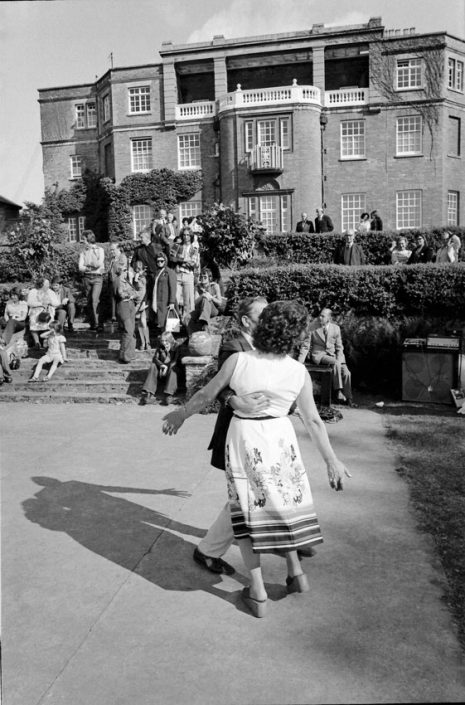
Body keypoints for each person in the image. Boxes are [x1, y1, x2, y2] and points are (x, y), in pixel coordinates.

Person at [162, 300, 351, 618]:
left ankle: (258, 590)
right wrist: (332, 460)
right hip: (280, 438)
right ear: (294, 336)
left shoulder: (239, 361)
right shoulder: (297, 370)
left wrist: (180, 414)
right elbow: (314, 421)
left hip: (247, 439)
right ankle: (296, 575)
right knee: (283, 504)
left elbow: (205, 395)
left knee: (247, 511)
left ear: (264, 327)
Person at [194, 296, 270, 575]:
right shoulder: (233, 345)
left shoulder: (268, 344)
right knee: (244, 494)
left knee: (261, 487)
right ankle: (208, 550)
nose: (269, 317)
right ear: (247, 321)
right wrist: (235, 401)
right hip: (237, 429)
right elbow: (221, 385)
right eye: (263, 314)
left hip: (264, 430)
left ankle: (286, 539)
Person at [298, 308, 356, 407]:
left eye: (323, 316)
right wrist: (299, 362)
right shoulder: (312, 327)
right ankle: (338, 391)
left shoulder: (336, 328)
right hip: (319, 355)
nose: (320, 317)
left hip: (333, 356)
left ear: (329, 318)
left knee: (346, 372)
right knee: (335, 363)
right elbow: (305, 346)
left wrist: (343, 362)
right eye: (320, 315)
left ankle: (349, 399)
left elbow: (339, 347)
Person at [139, 332, 180, 406]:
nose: (164, 343)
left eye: (166, 341)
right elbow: (155, 359)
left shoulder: (176, 346)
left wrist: (167, 367)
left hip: (172, 371)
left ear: (170, 340)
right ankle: (148, 394)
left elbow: (175, 361)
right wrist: (162, 366)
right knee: (153, 366)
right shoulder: (160, 347)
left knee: (174, 368)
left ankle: (169, 395)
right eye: (162, 341)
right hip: (162, 370)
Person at [78, 229, 105, 331]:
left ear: (88, 239)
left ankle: (99, 324)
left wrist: (87, 265)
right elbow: (80, 267)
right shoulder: (83, 251)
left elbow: (99, 263)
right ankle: (93, 323)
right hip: (87, 278)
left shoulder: (99, 250)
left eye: (84, 239)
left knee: (95, 300)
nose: (82, 241)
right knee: (89, 301)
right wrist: (89, 267)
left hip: (97, 278)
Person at [171, 228, 199, 317]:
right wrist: (184, 261)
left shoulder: (194, 249)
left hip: (188, 275)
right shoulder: (177, 246)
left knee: (188, 301)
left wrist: (179, 261)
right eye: (184, 235)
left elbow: (193, 264)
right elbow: (172, 258)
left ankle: (187, 324)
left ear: (191, 236)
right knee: (174, 299)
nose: (186, 237)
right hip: (177, 275)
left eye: (187, 235)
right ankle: (175, 323)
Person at [26, 278, 60, 348]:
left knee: (49, 322)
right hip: (36, 310)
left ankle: (46, 340)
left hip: (47, 311)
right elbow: (29, 303)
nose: (49, 285)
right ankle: (37, 342)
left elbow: (57, 303)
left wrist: (50, 302)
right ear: (41, 284)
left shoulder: (51, 292)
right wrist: (41, 304)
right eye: (47, 283)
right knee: (33, 321)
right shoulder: (33, 291)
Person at [188, 268, 224, 333]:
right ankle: (192, 336)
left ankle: (204, 323)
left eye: (205, 277)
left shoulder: (215, 286)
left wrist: (211, 297)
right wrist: (202, 295)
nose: (202, 278)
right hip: (200, 309)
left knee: (206, 299)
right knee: (187, 317)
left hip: (212, 309)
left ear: (209, 278)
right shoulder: (198, 287)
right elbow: (195, 303)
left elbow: (220, 303)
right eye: (201, 277)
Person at [132, 229, 161, 308]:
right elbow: (133, 262)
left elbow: (162, 260)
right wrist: (138, 269)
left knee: (156, 296)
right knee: (146, 297)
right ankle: (146, 317)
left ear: (147, 238)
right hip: (144, 276)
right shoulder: (138, 250)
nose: (140, 239)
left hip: (156, 274)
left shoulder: (157, 247)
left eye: (142, 237)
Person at [151, 252, 177, 332]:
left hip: (167, 302)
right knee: (162, 323)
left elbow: (173, 287)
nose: (159, 263)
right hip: (159, 301)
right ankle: (165, 343)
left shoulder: (170, 272)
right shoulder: (157, 272)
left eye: (162, 261)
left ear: (165, 261)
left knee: (168, 324)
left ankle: (168, 343)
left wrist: (172, 302)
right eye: (158, 261)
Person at [116, 268, 137, 364]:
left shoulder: (129, 280)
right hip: (123, 306)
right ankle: (123, 354)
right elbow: (121, 294)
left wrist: (132, 280)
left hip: (131, 305)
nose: (128, 273)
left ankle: (130, 354)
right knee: (128, 330)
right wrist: (130, 295)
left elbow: (136, 293)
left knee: (132, 330)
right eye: (125, 270)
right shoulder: (119, 279)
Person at [108, 240, 128, 322]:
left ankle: (121, 320)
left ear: (118, 249)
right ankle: (114, 318)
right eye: (111, 250)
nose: (112, 251)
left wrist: (115, 263)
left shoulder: (122, 257)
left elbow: (120, 270)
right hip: (113, 283)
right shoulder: (113, 259)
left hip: (119, 283)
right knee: (113, 301)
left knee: (120, 302)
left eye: (113, 249)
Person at [132, 260, 151, 351]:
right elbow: (134, 289)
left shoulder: (145, 278)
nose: (138, 271)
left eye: (140, 269)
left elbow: (147, 291)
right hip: (136, 302)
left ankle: (147, 343)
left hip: (144, 302)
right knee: (139, 323)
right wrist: (135, 277)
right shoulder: (135, 278)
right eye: (136, 269)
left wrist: (144, 303)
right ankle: (143, 343)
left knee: (143, 322)